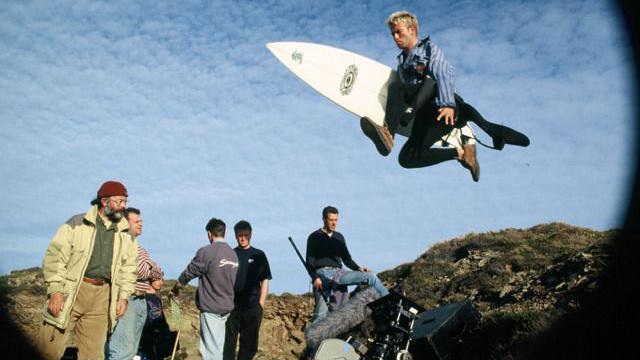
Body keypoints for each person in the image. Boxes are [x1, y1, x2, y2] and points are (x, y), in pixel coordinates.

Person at [361, 10, 530, 181]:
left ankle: (388, 133)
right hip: (427, 119)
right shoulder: (402, 63)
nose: (395, 37)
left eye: (399, 32)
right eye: (393, 34)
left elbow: (443, 72)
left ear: (412, 30)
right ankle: (460, 153)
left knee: (408, 84)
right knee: (406, 159)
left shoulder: (428, 49)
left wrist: (447, 103)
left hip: (443, 109)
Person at [37, 181, 138, 360]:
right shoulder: (76, 223)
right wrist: (55, 291)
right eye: (120, 201)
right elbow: (55, 256)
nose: (124, 206)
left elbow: (129, 268)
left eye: (125, 202)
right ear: (105, 201)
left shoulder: (126, 233)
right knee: (49, 349)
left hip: (103, 297)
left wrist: (123, 297)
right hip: (72, 291)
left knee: (93, 355)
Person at [305, 206, 389, 323]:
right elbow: (309, 262)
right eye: (331, 220)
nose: (334, 223)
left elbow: (347, 259)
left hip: (339, 274)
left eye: (336, 220)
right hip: (322, 275)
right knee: (321, 314)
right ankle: (315, 341)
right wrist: (315, 277)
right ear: (324, 219)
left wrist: (358, 268)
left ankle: (390, 300)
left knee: (370, 276)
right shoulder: (314, 237)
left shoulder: (339, 237)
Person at [171, 217, 239, 360]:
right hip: (228, 308)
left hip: (211, 309)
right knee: (220, 350)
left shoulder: (207, 251)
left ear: (209, 233)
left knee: (211, 353)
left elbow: (190, 272)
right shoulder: (233, 255)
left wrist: (176, 287)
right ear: (224, 233)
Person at [106, 207, 162, 360]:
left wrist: (150, 267)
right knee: (121, 351)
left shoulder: (139, 248)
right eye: (136, 221)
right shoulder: (119, 243)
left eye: (141, 221)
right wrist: (150, 267)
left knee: (131, 351)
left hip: (140, 301)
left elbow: (158, 272)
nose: (140, 224)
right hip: (127, 299)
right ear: (125, 223)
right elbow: (142, 271)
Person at [223, 221, 272, 360]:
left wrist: (260, 305)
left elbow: (265, 279)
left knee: (249, 347)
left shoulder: (259, 255)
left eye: (245, 235)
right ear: (235, 235)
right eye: (239, 235)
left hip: (252, 308)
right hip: (232, 308)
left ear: (250, 234)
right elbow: (224, 281)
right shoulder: (229, 255)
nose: (242, 238)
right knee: (227, 347)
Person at [138, 273, 179, 360]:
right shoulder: (143, 298)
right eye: (158, 279)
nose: (161, 282)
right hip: (147, 337)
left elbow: (161, 316)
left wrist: (167, 329)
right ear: (150, 280)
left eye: (162, 280)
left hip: (159, 337)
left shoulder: (157, 298)